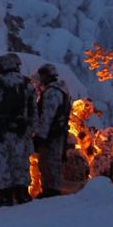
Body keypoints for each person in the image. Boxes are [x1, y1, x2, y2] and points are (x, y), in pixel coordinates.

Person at [0, 53, 36, 206]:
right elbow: (33, 111)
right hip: (21, 132)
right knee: (21, 162)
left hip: (0, 133)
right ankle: (23, 193)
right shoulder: (28, 85)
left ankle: (6, 196)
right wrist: (31, 130)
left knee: (2, 163)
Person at [34, 63, 72, 198]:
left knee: (49, 162)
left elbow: (47, 116)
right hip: (57, 132)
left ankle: (52, 191)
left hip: (52, 134)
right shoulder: (62, 90)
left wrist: (40, 136)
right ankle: (51, 189)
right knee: (50, 161)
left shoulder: (52, 92)